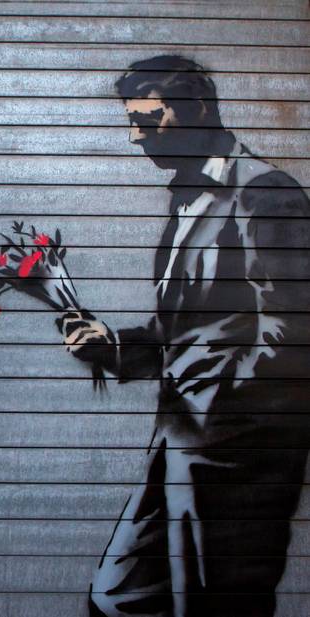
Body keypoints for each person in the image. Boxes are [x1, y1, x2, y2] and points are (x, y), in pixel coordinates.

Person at [60, 55, 310, 616]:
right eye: (132, 120)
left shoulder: (265, 192)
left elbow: (293, 333)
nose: (135, 137)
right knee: (120, 597)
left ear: (197, 109)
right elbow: (191, 328)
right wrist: (116, 347)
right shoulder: (188, 195)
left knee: (218, 605)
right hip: (182, 443)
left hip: (237, 457)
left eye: (148, 120)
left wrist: (214, 400)